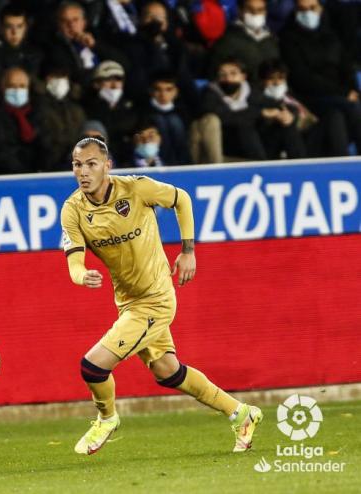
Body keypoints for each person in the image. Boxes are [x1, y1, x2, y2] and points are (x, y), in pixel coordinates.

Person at [60, 136, 263, 456]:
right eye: (77, 165)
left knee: (93, 367)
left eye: (91, 164)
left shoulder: (136, 189)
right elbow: (73, 259)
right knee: (168, 371)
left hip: (155, 299)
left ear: (107, 166)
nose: (83, 172)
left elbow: (181, 198)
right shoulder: (73, 210)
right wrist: (81, 275)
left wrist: (188, 250)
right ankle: (241, 413)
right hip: (127, 302)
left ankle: (106, 418)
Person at [280, 0, 361, 152]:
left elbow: (346, 67)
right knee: (352, 108)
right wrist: (343, 93)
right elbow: (302, 77)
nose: (308, 13)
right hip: (310, 96)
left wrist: (353, 90)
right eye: (302, 9)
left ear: (321, 9)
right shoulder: (288, 39)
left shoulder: (330, 35)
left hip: (337, 97)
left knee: (336, 115)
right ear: (295, 12)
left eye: (312, 8)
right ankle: (344, 164)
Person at [258, 58, 348, 157]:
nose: (277, 83)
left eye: (280, 78)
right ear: (262, 81)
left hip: (309, 137)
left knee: (334, 115)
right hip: (289, 144)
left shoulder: (291, 96)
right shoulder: (257, 99)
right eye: (271, 78)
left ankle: (343, 161)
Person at [0, 66, 51, 174]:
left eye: (22, 86)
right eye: (12, 86)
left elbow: (46, 143)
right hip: (6, 174)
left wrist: (43, 168)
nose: (17, 90)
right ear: (2, 87)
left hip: (37, 173)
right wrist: (24, 173)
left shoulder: (38, 112)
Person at [0, 4, 43, 103]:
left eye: (19, 26)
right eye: (9, 27)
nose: (14, 32)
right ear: (1, 28)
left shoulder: (34, 52)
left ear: (26, 28)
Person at [209, 0, 280, 82]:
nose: (255, 14)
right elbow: (214, 74)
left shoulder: (272, 40)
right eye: (250, 10)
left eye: (260, 10)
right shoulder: (227, 40)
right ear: (240, 11)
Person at [83, 60, 139, 165]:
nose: (114, 85)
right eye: (108, 80)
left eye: (118, 80)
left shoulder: (132, 105)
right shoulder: (87, 105)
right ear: (96, 84)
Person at [41, 65, 86, 171]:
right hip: (48, 165)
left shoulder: (76, 109)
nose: (59, 81)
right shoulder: (39, 107)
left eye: (63, 77)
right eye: (55, 77)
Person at [146, 72, 192, 165]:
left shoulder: (183, 111)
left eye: (168, 89)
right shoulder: (144, 111)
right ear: (151, 91)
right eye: (158, 90)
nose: (163, 94)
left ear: (176, 92)